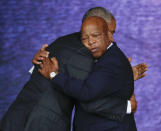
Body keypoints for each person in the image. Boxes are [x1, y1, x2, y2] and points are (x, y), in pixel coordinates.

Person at [0, 7, 147, 131]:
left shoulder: (63, 41)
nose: (112, 39)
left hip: (15, 118)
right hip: (42, 123)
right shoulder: (84, 56)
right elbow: (90, 100)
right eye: (109, 32)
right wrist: (126, 106)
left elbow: (39, 70)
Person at [37, 16, 140, 131]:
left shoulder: (111, 62)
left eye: (96, 36)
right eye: (85, 38)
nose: (90, 41)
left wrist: (54, 75)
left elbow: (87, 94)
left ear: (108, 36)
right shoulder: (98, 57)